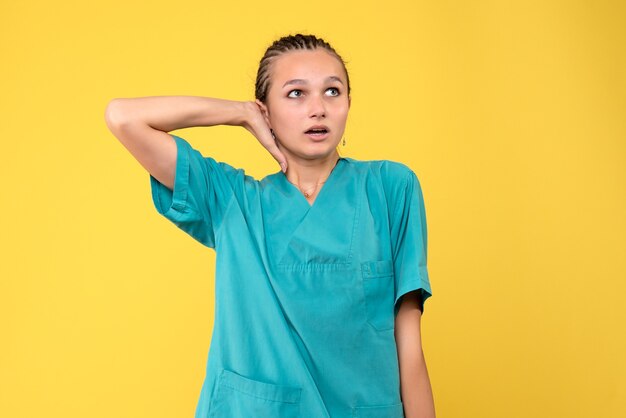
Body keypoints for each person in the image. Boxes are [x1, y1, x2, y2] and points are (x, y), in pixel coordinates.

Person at [104, 33, 435, 418]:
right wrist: (239, 112)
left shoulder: (391, 188)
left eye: (333, 91)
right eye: (296, 94)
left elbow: (409, 344)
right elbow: (123, 117)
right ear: (266, 111)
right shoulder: (232, 201)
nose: (318, 109)